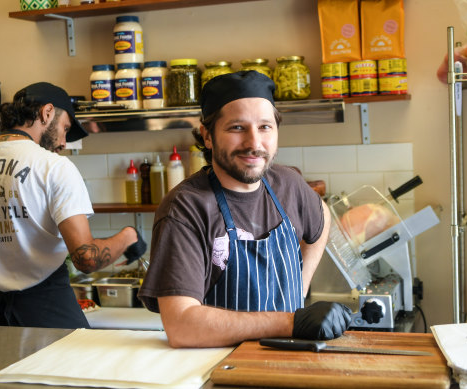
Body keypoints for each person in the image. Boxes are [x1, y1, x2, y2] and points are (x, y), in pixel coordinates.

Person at [138, 71, 352, 348]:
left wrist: (300, 286)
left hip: (288, 359)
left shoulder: (288, 184)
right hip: (218, 369)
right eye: (237, 128)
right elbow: (181, 326)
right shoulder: (186, 208)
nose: (254, 143)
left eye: (265, 127)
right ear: (207, 136)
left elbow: (321, 215)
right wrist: (291, 322)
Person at [0, 82, 146, 329]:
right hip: (45, 312)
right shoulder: (54, 167)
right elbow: (87, 259)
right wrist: (128, 236)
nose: (63, 143)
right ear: (46, 112)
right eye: (65, 129)